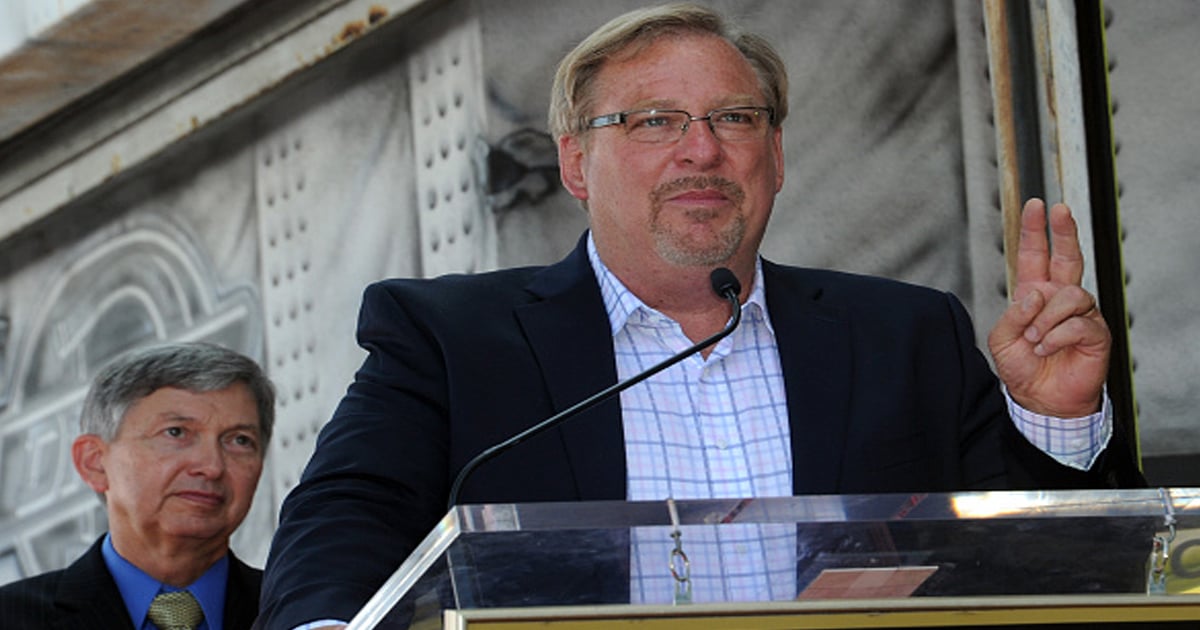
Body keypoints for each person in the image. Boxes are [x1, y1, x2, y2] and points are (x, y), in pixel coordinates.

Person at [257, 3, 1142, 628]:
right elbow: (345, 518)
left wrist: (1055, 423)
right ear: (574, 163)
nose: (702, 149)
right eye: (652, 121)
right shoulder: (450, 339)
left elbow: (1046, 568)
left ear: (777, 154)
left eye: (734, 117)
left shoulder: (905, 335)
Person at [0, 342, 275, 629]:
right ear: (94, 462)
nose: (212, 466)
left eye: (240, 440)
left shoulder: (300, 615)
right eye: (176, 432)